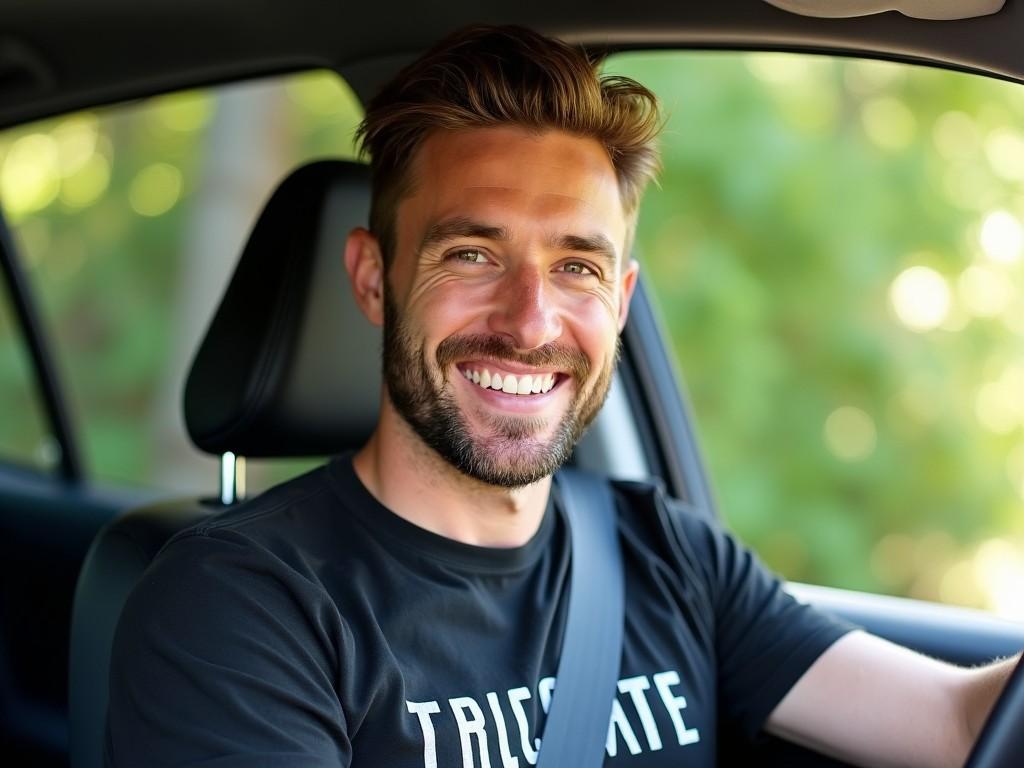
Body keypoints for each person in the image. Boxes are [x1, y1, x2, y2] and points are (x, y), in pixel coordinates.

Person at [106, 25, 1019, 768]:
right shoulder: (240, 604)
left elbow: (955, 725)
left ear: (619, 303)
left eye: (577, 266)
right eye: (472, 254)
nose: (530, 321)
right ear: (375, 280)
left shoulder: (666, 554)